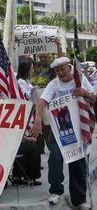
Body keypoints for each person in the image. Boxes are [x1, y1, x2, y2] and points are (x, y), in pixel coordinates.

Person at [30, 57, 95, 209]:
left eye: (62, 69)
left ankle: (79, 200)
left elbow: (93, 98)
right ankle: (55, 190)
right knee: (55, 156)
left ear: (69, 68)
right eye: (57, 70)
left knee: (77, 161)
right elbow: (42, 102)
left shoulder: (80, 79)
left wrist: (85, 92)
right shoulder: (54, 84)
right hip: (60, 125)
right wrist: (38, 119)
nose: (60, 73)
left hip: (78, 125)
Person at [0, 87, 41, 186]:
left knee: (27, 145)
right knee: (32, 148)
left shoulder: (5, 111)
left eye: (0, 96)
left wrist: (26, 139)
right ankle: (27, 177)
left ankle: (19, 176)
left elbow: (14, 132)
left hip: (9, 144)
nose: (0, 98)